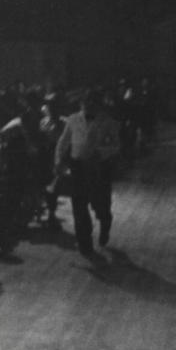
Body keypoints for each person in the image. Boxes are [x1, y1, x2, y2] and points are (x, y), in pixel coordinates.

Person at [54, 89, 120, 259]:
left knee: (101, 204)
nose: (88, 105)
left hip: (99, 167)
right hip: (78, 167)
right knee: (79, 205)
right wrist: (59, 160)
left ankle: (105, 222)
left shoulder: (108, 122)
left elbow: (115, 145)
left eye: (92, 103)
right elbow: (63, 141)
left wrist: (101, 153)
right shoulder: (73, 119)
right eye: (85, 102)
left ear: (98, 105)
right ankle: (85, 243)